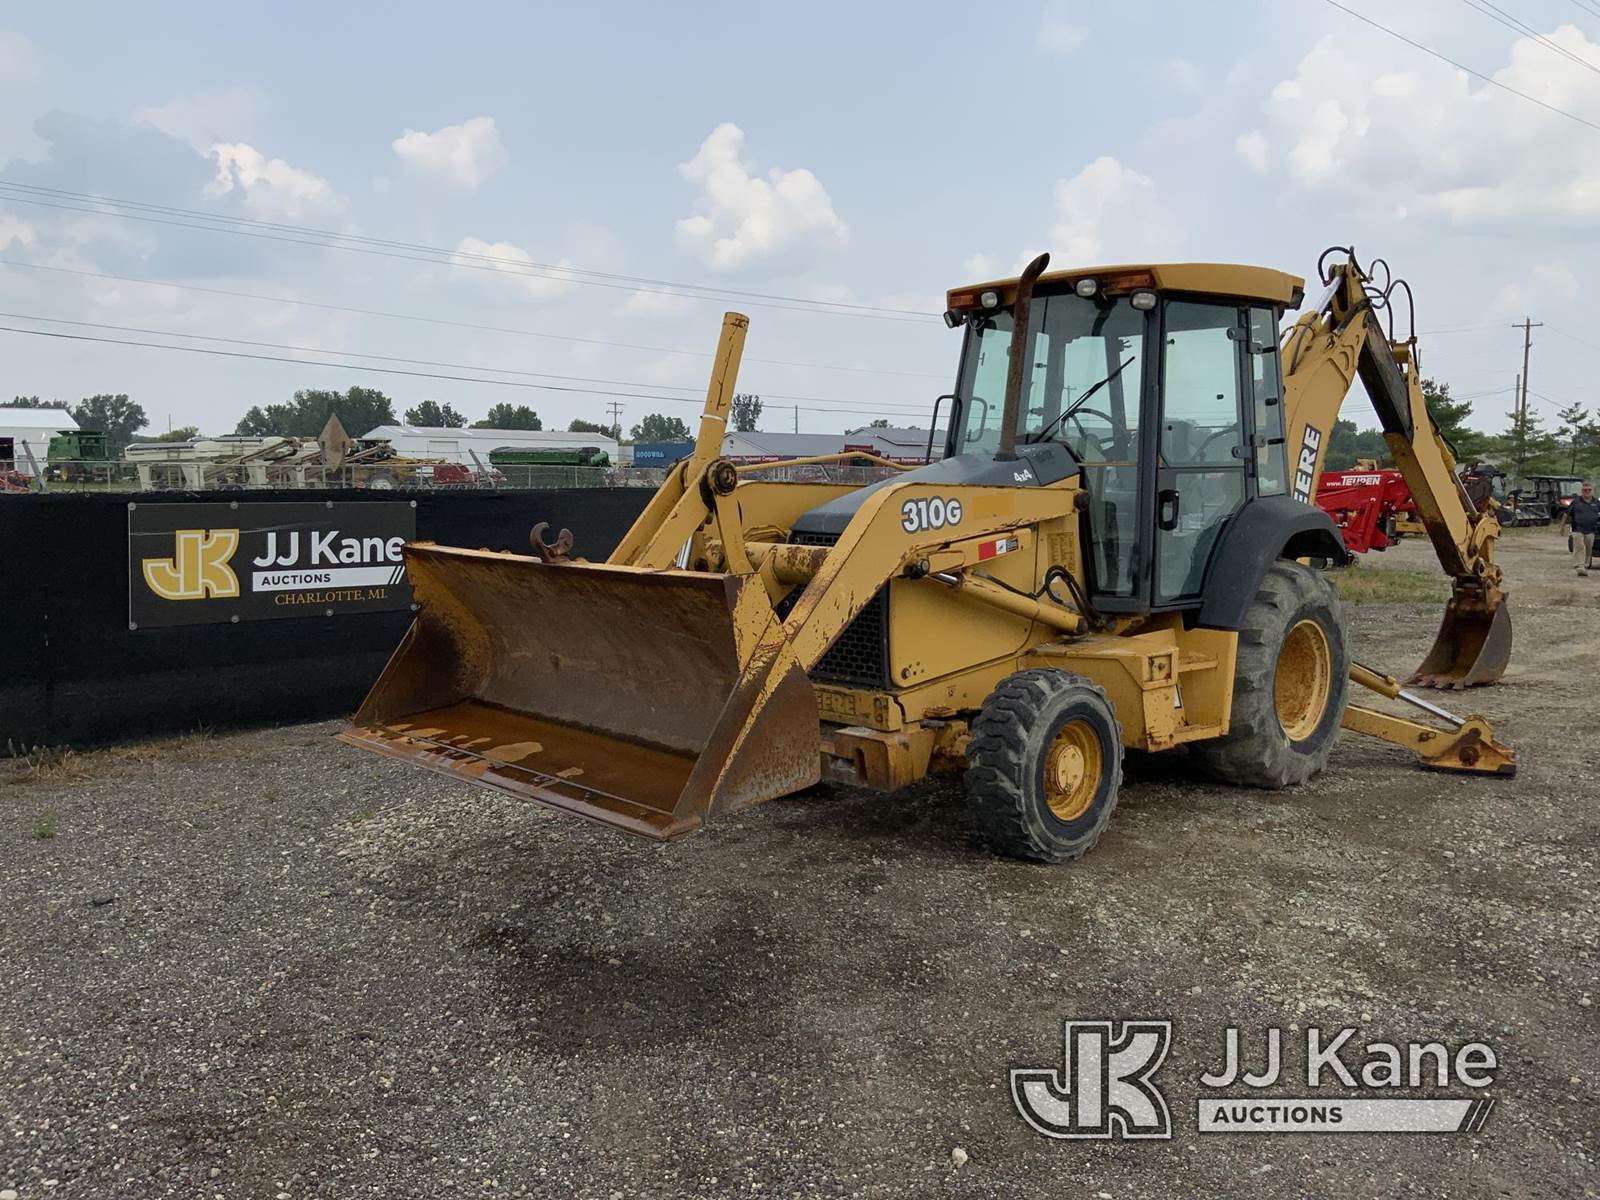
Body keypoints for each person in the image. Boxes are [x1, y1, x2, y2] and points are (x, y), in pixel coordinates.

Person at [1566, 481, 1600, 576]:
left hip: (1592, 530)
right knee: (1579, 546)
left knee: (1588, 548)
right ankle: (1579, 566)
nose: (1587, 491)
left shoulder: (1597, 503)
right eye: (1585, 490)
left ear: (1592, 491)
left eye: (1589, 490)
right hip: (1577, 529)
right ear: (1582, 491)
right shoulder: (1576, 501)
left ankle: (1585, 563)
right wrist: (1562, 527)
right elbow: (1566, 514)